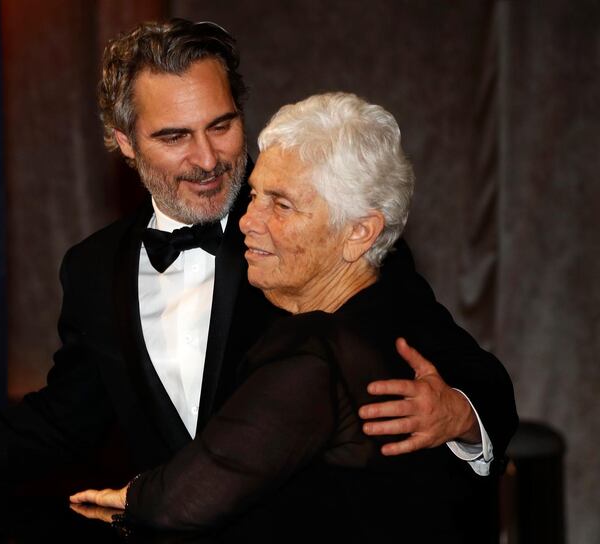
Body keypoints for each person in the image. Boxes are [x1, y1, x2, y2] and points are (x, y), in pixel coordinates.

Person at [0, 20, 514, 494]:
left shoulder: (317, 236)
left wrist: (459, 414)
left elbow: (481, 377)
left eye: (223, 125)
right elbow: (56, 424)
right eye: (175, 136)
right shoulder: (91, 270)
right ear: (123, 140)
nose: (207, 161)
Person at [69, 92, 518, 539]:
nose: (248, 219)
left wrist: (463, 414)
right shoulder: (346, 321)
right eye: (256, 194)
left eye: (280, 204)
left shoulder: (330, 343)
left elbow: (184, 500)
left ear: (360, 232)